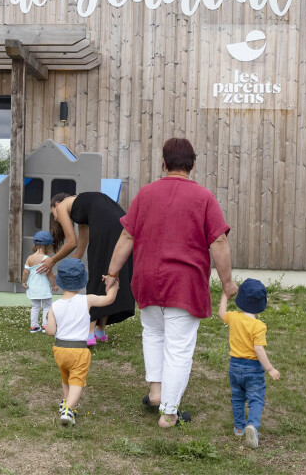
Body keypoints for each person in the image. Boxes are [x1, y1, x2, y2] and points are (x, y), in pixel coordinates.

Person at [106, 137, 239, 428]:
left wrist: (112, 273)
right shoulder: (204, 197)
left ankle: (156, 393)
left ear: (163, 163)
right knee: (178, 347)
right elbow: (218, 240)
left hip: (148, 278)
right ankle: (168, 413)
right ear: (192, 164)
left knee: (153, 334)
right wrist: (227, 282)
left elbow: (127, 236)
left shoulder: (145, 194)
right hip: (184, 283)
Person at [38, 191, 135, 346]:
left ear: (56, 205)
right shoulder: (84, 211)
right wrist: (62, 275)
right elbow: (79, 252)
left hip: (109, 225)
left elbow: (71, 243)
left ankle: (89, 334)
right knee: (106, 271)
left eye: (53, 214)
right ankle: (100, 330)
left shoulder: (62, 205)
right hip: (122, 224)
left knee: (97, 274)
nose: (56, 218)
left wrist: (52, 260)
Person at [44, 258, 119, 425]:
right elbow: (109, 300)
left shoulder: (54, 306)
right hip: (79, 350)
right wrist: (114, 285)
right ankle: (68, 410)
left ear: (60, 281)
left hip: (60, 349)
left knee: (66, 378)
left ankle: (67, 402)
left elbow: (50, 331)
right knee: (76, 381)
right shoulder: (87, 300)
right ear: (82, 281)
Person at [218, 278, 280, 449]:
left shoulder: (233, 318)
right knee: (256, 398)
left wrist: (224, 295)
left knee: (237, 397)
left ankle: (239, 428)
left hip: (234, 366)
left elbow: (221, 313)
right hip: (253, 369)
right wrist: (270, 368)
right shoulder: (258, 326)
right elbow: (259, 350)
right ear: (261, 304)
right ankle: (252, 425)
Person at [21, 230, 58, 333]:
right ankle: (45, 326)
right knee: (47, 306)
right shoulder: (47, 259)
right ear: (48, 246)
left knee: (35, 307)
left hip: (33, 288)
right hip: (44, 288)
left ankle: (34, 326)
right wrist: (54, 285)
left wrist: (24, 282)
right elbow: (50, 275)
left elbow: (25, 272)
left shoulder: (30, 258)